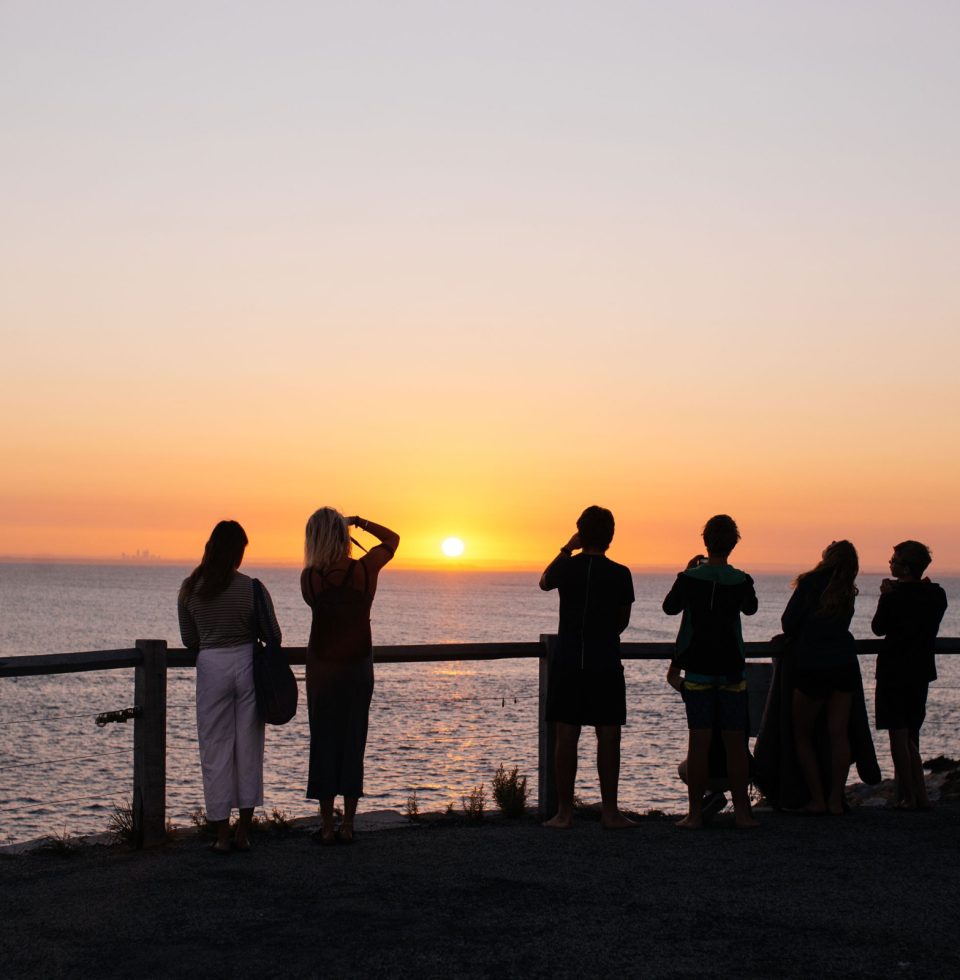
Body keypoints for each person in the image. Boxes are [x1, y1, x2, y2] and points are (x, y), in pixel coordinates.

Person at [177, 520, 282, 853]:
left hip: (211, 666)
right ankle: (244, 833)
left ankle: (221, 835)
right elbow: (274, 636)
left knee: (216, 752)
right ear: (237, 552)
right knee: (249, 749)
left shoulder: (190, 588)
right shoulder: (251, 587)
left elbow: (189, 639)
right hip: (246, 665)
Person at [301, 508, 399, 844]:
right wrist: (360, 522)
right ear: (343, 536)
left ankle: (327, 826)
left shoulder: (309, 578)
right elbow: (393, 540)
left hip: (322, 667)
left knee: (323, 740)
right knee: (353, 739)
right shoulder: (365, 570)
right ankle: (349, 825)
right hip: (358, 666)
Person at [539, 505, 636, 829]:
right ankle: (610, 811)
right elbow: (622, 621)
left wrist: (568, 547)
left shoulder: (568, 567)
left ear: (581, 532)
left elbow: (544, 581)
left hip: (568, 658)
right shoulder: (621, 573)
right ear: (611, 536)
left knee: (566, 735)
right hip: (604, 660)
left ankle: (564, 812)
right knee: (608, 735)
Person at [663, 514, 759, 829]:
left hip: (699, 670)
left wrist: (691, 570)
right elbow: (751, 608)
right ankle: (743, 814)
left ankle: (694, 814)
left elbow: (670, 607)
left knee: (699, 742)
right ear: (733, 544)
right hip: (731, 669)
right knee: (735, 744)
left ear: (705, 541)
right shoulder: (742, 580)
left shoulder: (689, 578)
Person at [781, 540, 861, 815]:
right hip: (844, 663)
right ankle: (836, 799)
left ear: (827, 557)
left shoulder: (811, 582)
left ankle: (817, 799)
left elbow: (789, 622)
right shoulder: (848, 589)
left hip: (813, 664)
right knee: (838, 734)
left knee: (802, 733)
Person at [871, 540, 948, 810]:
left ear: (904, 567)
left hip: (894, 669)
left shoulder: (895, 596)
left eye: (893, 560)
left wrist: (886, 594)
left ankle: (910, 797)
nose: (889, 564)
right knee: (911, 733)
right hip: (921, 669)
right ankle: (919, 796)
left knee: (898, 735)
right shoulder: (937, 595)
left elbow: (878, 628)